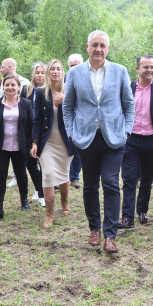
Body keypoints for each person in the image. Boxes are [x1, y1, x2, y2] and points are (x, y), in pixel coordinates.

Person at [63, 30, 135, 253]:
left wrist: (127, 131)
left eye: (102, 45)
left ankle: (110, 235)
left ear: (108, 48)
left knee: (111, 184)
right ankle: (94, 229)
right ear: (87, 47)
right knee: (90, 185)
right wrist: (71, 133)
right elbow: (67, 106)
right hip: (86, 137)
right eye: (94, 45)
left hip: (113, 138)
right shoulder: (75, 73)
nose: (98, 49)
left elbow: (128, 104)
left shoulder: (120, 71)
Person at [119, 55, 153, 228]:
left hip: (152, 140)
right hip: (131, 139)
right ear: (137, 69)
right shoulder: (128, 87)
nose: (149, 70)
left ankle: (142, 211)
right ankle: (127, 217)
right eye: (145, 67)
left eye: (152, 67)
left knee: (147, 179)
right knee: (129, 178)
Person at [32, 59, 77, 228]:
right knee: (49, 174)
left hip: (66, 141)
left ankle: (65, 201)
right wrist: (35, 142)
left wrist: (65, 101)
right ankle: (50, 213)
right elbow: (36, 120)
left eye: (58, 69)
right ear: (48, 72)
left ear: (63, 72)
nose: (55, 71)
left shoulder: (71, 91)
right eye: (52, 69)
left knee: (64, 174)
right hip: (47, 142)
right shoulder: (41, 92)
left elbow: (79, 113)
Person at [0, 75, 33, 221]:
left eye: (13, 85)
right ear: (3, 87)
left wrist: (32, 145)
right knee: (0, 176)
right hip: (0, 146)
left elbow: (30, 126)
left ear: (18, 87)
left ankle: (24, 200)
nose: (10, 88)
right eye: (7, 85)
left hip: (20, 146)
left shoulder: (26, 104)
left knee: (21, 174)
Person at [22, 62, 46, 206]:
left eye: (43, 72)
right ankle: (38, 188)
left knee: (44, 164)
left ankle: (43, 194)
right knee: (30, 163)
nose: (39, 75)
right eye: (37, 72)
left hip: (44, 131)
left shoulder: (51, 90)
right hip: (28, 131)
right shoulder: (27, 90)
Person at [67, 53, 84, 189]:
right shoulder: (63, 79)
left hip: (81, 120)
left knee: (78, 150)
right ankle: (62, 177)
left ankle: (74, 177)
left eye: (76, 65)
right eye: (71, 66)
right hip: (66, 119)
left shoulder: (86, 79)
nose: (73, 68)